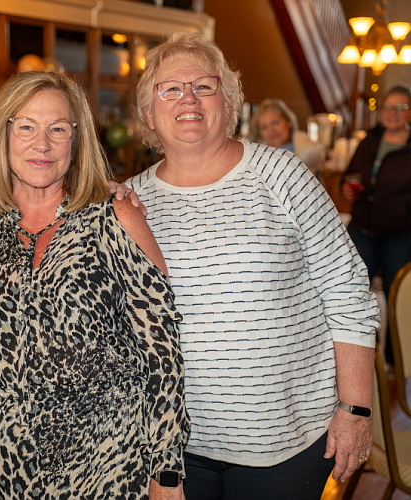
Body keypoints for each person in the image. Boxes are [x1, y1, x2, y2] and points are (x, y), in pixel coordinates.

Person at [126, 31, 379, 500]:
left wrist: (356, 409)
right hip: (174, 448)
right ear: (147, 113)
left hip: (285, 443)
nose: (188, 99)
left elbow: (347, 291)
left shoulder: (282, 174)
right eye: (170, 89)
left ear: (229, 103)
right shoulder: (129, 202)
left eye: (204, 86)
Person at [0, 70, 189, 499]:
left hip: (109, 462)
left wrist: (166, 471)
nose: (41, 144)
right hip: (6, 467)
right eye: (26, 127)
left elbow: (162, 351)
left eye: (58, 129)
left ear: (77, 140)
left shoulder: (115, 218)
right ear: (2, 135)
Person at [341, 83, 411, 368]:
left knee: (398, 298)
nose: (393, 113)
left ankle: (397, 363)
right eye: (388, 107)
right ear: (380, 111)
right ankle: (361, 357)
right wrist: (347, 188)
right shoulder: (369, 140)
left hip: (399, 234)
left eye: (400, 107)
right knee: (352, 294)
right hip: (362, 230)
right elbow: (350, 174)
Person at [249, 98, 325, 174]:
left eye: (275, 122)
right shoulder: (257, 158)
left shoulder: (304, 146)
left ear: (289, 122)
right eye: (264, 127)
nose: (271, 130)